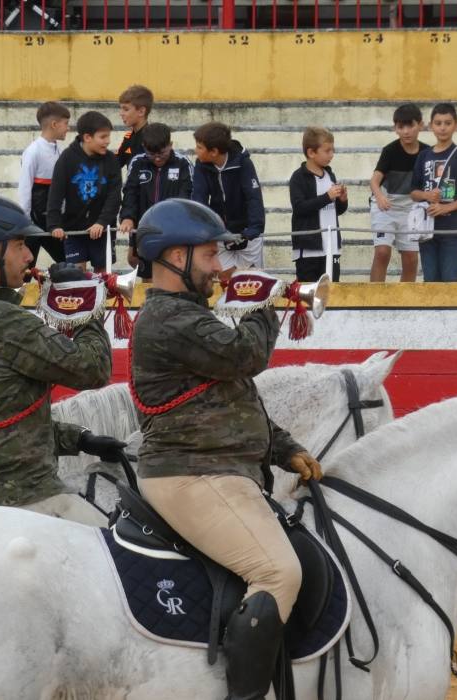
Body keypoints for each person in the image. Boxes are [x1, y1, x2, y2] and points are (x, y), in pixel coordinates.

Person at [130, 198, 322, 700]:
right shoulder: (169, 317)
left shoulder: (190, 315)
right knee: (277, 572)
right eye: (211, 255)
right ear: (175, 256)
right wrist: (263, 302)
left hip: (214, 470)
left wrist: (282, 448)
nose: (221, 268)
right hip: (192, 474)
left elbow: (232, 398)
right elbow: (245, 357)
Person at [0, 193, 121, 526]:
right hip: (25, 494)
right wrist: (83, 303)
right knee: (118, 555)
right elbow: (95, 369)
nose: (30, 255)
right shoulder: (8, 322)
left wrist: (78, 438)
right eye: (18, 245)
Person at [410, 103, 457, 283]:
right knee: (430, 280)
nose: (442, 127)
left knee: (451, 279)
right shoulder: (424, 155)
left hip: (453, 228)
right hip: (427, 229)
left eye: (448, 123)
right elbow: (413, 192)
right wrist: (426, 196)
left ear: (456, 125)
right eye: (438, 123)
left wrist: (447, 207)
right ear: (430, 125)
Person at [46, 111, 122, 272]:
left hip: (102, 231)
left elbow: (114, 196)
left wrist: (101, 222)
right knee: (75, 274)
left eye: (108, 136)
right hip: (74, 230)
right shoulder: (66, 158)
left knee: (103, 277)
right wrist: (54, 225)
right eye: (103, 137)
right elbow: (55, 194)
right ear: (87, 137)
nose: (108, 141)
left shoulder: (111, 160)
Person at [118, 122, 193, 283]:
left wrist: (174, 219)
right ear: (144, 147)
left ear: (170, 145)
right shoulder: (137, 163)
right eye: (152, 154)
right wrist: (128, 217)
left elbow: (187, 194)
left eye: (162, 153)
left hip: (173, 230)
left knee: (173, 273)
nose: (157, 158)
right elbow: (130, 192)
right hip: (145, 230)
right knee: (147, 275)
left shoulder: (183, 163)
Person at [191, 121, 265, 283]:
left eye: (199, 147)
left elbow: (253, 196)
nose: (195, 151)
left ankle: (259, 309)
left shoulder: (243, 162)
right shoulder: (201, 165)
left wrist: (255, 228)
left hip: (247, 233)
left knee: (251, 280)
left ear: (214, 152)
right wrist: (202, 229)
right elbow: (199, 198)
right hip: (220, 233)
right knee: (225, 278)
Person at [369, 104, 429, 283]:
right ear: (395, 128)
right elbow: (374, 181)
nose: (406, 131)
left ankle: (405, 303)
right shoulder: (390, 151)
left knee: (411, 258)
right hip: (386, 206)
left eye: (410, 126)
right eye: (401, 127)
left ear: (420, 125)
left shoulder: (427, 153)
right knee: (382, 252)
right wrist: (379, 197)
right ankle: (374, 299)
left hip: (412, 209)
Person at [288, 126, 348, 282]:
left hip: (332, 247)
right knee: (308, 293)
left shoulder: (330, 175)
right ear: (311, 153)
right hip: (308, 250)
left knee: (332, 293)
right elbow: (300, 208)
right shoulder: (298, 177)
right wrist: (327, 197)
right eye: (327, 151)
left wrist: (342, 200)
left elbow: (337, 211)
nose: (331, 155)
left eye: (332, 150)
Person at [17, 101, 70, 266]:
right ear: (54, 124)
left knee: (67, 261)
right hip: (34, 222)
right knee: (25, 267)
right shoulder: (33, 151)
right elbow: (25, 188)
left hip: (53, 221)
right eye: (66, 124)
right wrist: (25, 221)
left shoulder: (60, 151)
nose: (68, 128)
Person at [116, 84, 154, 168]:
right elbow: (116, 163)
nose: (121, 113)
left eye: (126, 109)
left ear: (141, 111)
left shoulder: (152, 138)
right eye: (121, 109)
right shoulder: (129, 137)